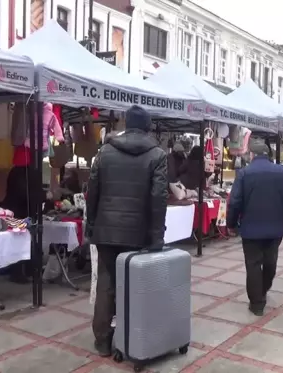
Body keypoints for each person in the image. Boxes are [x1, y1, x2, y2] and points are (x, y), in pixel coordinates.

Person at [86, 105, 168, 356]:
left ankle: (102, 339)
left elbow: (93, 192)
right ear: (147, 126)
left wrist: (91, 226)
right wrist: (157, 236)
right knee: (135, 285)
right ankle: (131, 337)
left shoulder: (105, 151)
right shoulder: (157, 155)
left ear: (125, 124)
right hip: (138, 232)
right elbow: (158, 198)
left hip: (106, 232)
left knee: (107, 283)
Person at [227, 140, 283, 316]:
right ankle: (263, 290)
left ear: (251, 154)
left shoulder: (244, 173)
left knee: (253, 264)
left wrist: (231, 224)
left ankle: (257, 302)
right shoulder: (282, 172)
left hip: (250, 228)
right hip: (275, 227)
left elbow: (235, 202)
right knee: (270, 262)